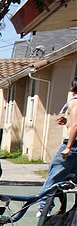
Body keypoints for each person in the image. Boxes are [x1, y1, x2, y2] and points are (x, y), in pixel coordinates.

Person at [39, 79, 77, 215]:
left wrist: (69, 147)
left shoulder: (74, 101)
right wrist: (67, 121)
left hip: (73, 146)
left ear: (72, 90)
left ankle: (44, 208)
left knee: (54, 177)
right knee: (74, 180)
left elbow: (76, 126)